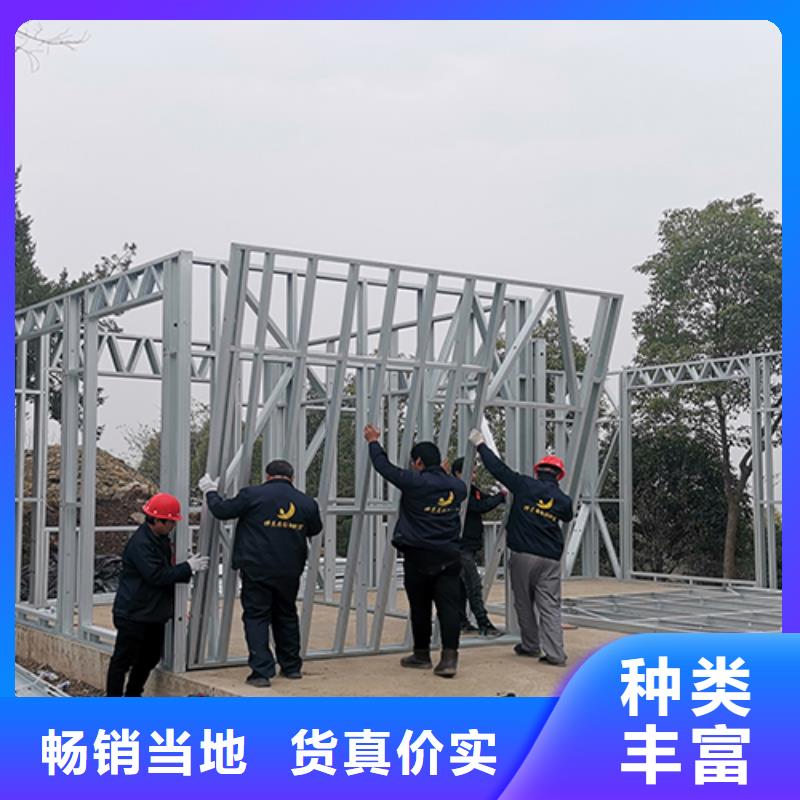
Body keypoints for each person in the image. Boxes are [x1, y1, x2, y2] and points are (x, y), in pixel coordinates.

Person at [199, 460, 322, 688]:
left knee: (256, 617)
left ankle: (261, 672)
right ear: (292, 477)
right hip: (289, 569)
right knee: (286, 615)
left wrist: (210, 491)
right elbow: (315, 529)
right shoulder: (306, 502)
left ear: (268, 476)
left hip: (257, 568)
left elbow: (222, 511)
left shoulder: (252, 495)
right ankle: (291, 667)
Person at [364, 424, 467, 678]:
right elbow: (450, 487)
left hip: (419, 555)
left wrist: (373, 441)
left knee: (420, 607)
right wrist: (444, 475)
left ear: (418, 462)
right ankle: (449, 659)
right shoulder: (458, 488)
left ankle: (421, 655)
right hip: (449, 555)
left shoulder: (414, 482)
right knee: (449, 608)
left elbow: (384, 467)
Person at [468, 429, 574, 666]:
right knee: (550, 606)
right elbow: (567, 516)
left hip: (523, 554)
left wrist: (481, 445)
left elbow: (498, 469)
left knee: (524, 602)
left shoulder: (524, 485)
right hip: (550, 559)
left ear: (538, 472)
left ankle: (530, 645)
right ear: (559, 476)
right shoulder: (563, 500)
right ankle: (556, 654)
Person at [107, 493, 209, 697]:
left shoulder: (158, 538)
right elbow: (156, 575)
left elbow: (163, 570)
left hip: (151, 612)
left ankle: (133, 695)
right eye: (171, 522)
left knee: (150, 656)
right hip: (134, 613)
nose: (173, 526)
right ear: (157, 521)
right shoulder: (141, 544)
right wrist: (187, 568)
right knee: (123, 659)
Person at [450, 457, 505, 638]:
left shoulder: (471, 489)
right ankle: (484, 623)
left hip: (467, 545)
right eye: (471, 472)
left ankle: (461, 622)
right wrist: (501, 496)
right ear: (458, 473)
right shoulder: (458, 491)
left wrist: (500, 496)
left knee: (461, 586)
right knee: (473, 584)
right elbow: (480, 506)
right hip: (460, 545)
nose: (474, 475)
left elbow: (485, 500)